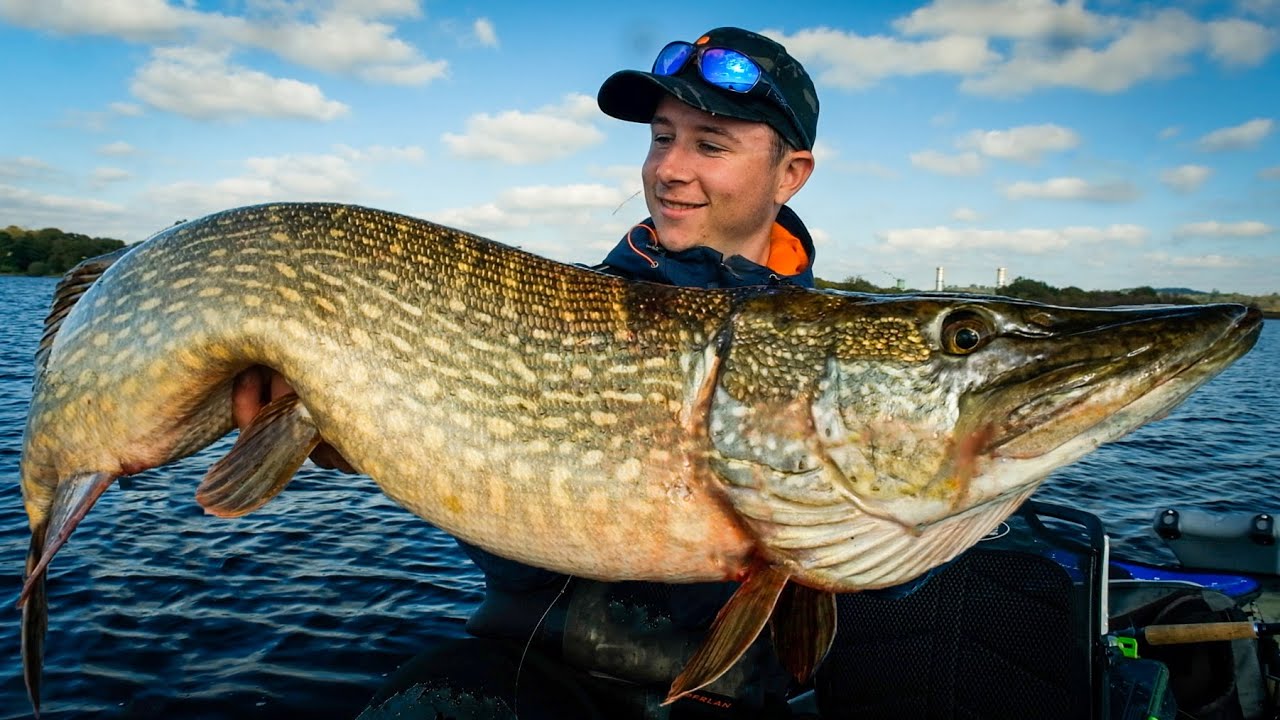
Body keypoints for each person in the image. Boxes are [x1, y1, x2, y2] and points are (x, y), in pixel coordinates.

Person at [234, 27, 822, 719]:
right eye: (662, 137)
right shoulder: (552, 308)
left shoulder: (830, 353)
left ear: (790, 173)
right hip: (528, 675)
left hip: (724, 699)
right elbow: (511, 543)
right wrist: (369, 436)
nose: (669, 167)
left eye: (710, 145)